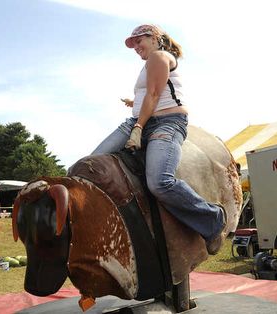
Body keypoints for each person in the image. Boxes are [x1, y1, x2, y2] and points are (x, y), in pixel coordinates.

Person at [91, 24, 226, 254]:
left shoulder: (159, 56)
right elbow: (151, 93)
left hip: (167, 122)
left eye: (138, 41)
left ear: (154, 38)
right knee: (91, 166)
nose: (135, 47)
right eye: (132, 44)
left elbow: (154, 95)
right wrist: (135, 105)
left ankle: (212, 219)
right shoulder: (148, 64)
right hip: (137, 121)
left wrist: (139, 128)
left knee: (159, 182)